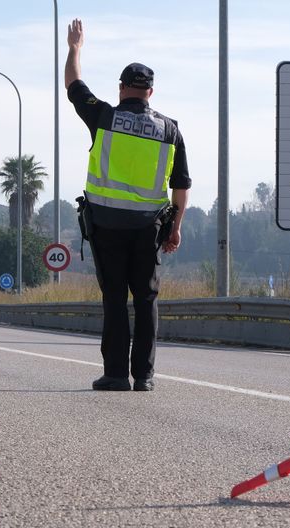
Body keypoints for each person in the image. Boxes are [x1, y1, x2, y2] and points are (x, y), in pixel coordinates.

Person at [65, 18, 191, 392]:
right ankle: (145, 377)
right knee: (146, 298)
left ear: (122, 88)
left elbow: (73, 85)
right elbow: (180, 186)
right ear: (150, 92)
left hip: (106, 224)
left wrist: (75, 48)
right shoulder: (170, 130)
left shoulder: (104, 116)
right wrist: (176, 227)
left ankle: (117, 374)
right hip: (147, 228)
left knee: (116, 299)